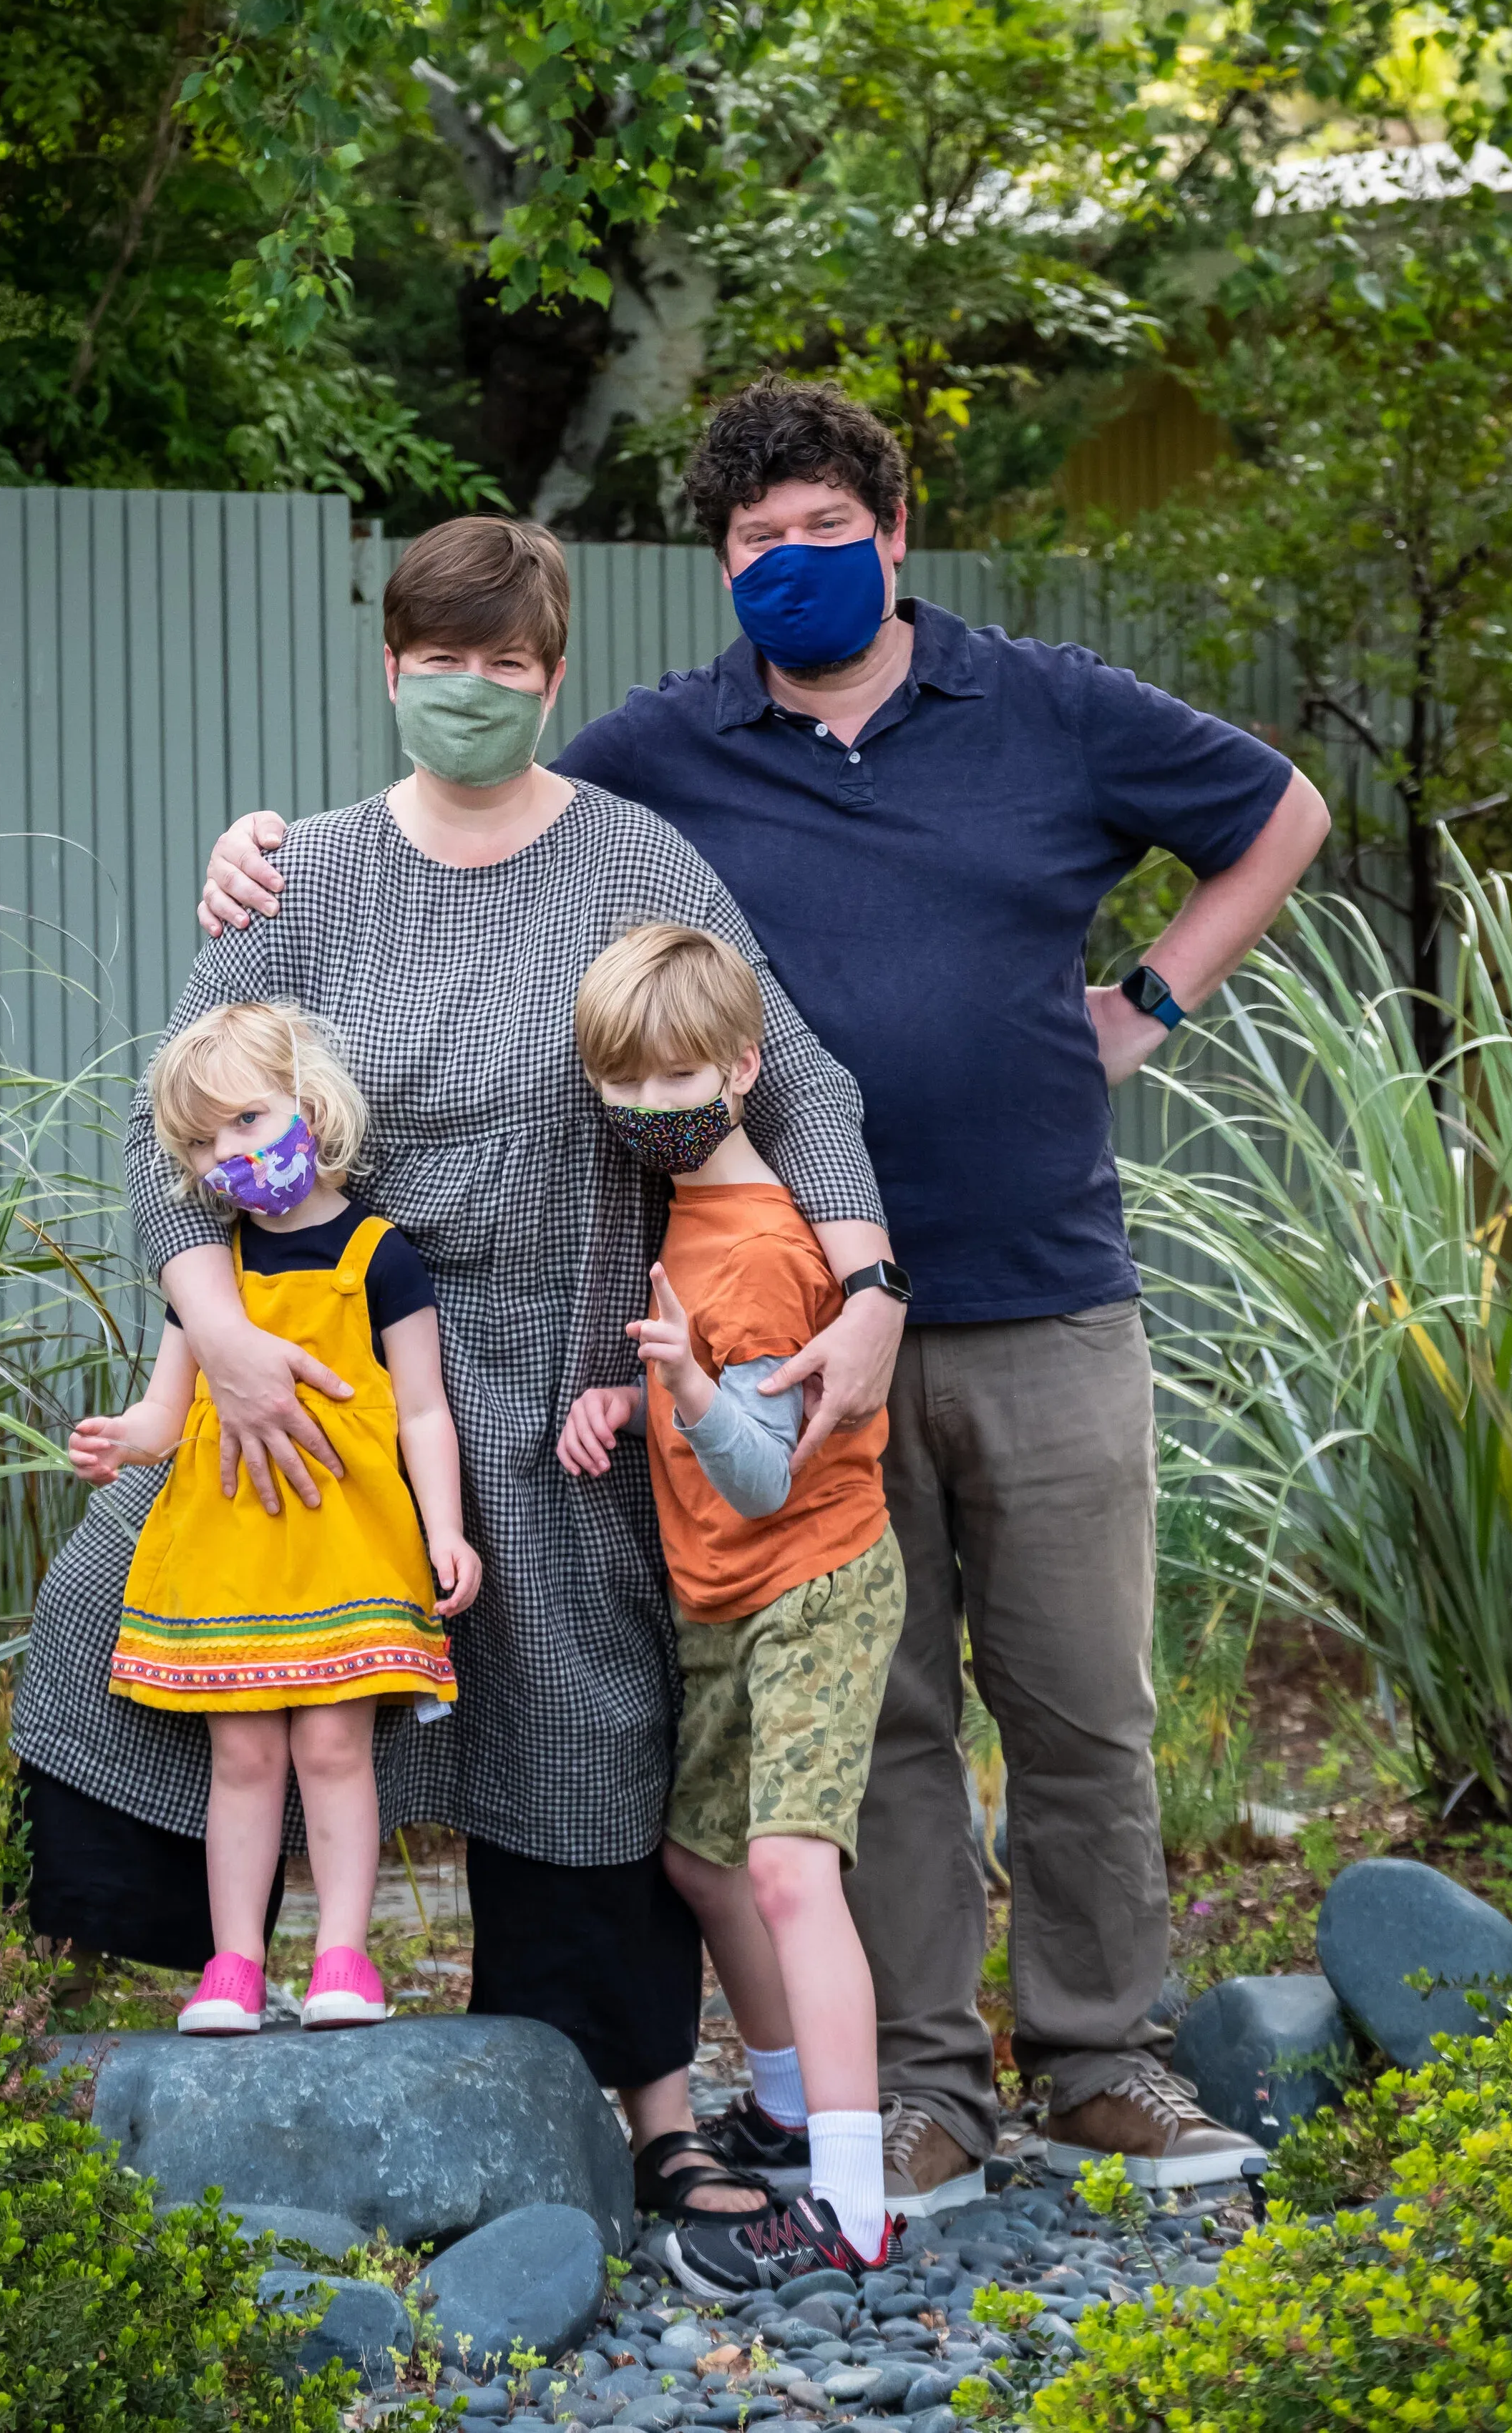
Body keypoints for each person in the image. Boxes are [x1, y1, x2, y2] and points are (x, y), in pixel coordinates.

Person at [198, 383, 1332, 2205]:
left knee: (1076, 1707)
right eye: (754, 542)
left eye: (824, 531)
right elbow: (479, 802)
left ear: (892, 534)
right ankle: (926, 2083)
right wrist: (262, 849)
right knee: (871, 1729)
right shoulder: (666, 751)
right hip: (770, 1334)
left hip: (1036, 1287)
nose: (790, 563)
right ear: (718, 566)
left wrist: (1145, 1005)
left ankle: (1102, 2056)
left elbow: (1279, 812)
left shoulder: (1045, 704)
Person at [12, 514, 901, 2219]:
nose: (472, 688)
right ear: (390, 669)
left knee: (586, 1725)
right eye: (442, 660)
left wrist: (867, 1282)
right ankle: (144, 2041)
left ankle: (637, 2109)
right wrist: (218, 1337)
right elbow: (165, 1121)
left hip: (568, 1390)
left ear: (551, 676)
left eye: (506, 662)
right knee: (119, 1601)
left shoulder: (634, 859)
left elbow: (790, 1078)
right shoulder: (301, 876)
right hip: (316, 1371)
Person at [561, 923, 904, 2294]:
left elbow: (762, 1474)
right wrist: (635, 1394)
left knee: (786, 1870)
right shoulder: (692, 1210)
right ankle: (783, 2103)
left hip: (807, 1579)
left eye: (677, 1079)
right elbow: (720, 1407)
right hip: (723, 1596)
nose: (649, 1108)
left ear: (745, 1068)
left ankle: (853, 2205)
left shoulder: (757, 1248)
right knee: (703, 1858)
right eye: (622, 1084)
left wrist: (689, 1388)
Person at [68, 1000, 479, 2035]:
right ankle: (235, 1963)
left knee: (334, 1752)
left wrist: (445, 1529)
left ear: (312, 1104)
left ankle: (345, 1953)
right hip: (233, 1558)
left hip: (346, 1549)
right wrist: (123, 1439)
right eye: (203, 1143)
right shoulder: (212, 1276)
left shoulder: (382, 1256)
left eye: (248, 1120)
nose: (230, 1155)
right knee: (244, 1760)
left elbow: (424, 1410)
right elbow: (168, 1410)